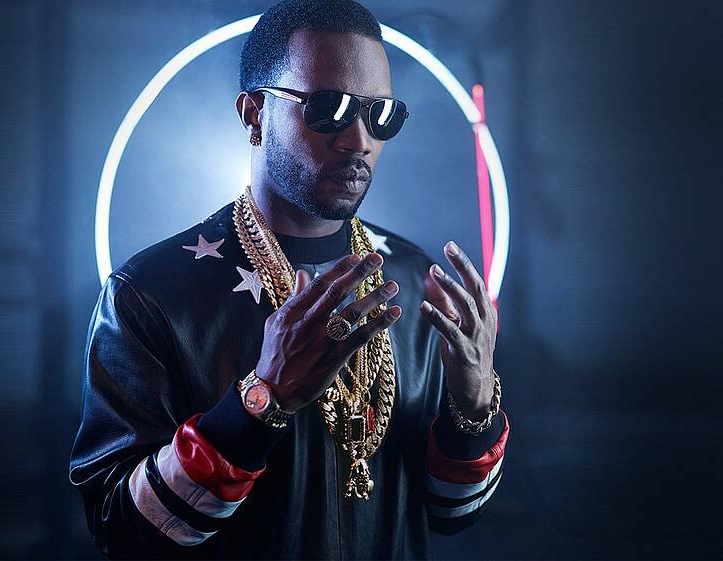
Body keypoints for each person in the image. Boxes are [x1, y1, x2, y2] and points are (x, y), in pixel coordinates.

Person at [68, 0, 510, 559]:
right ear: (254, 114)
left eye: (381, 115)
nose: (358, 139)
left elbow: (452, 513)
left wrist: (473, 410)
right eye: (329, 108)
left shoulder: (416, 281)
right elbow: (124, 533)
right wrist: (260, 401)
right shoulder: (150, 296)